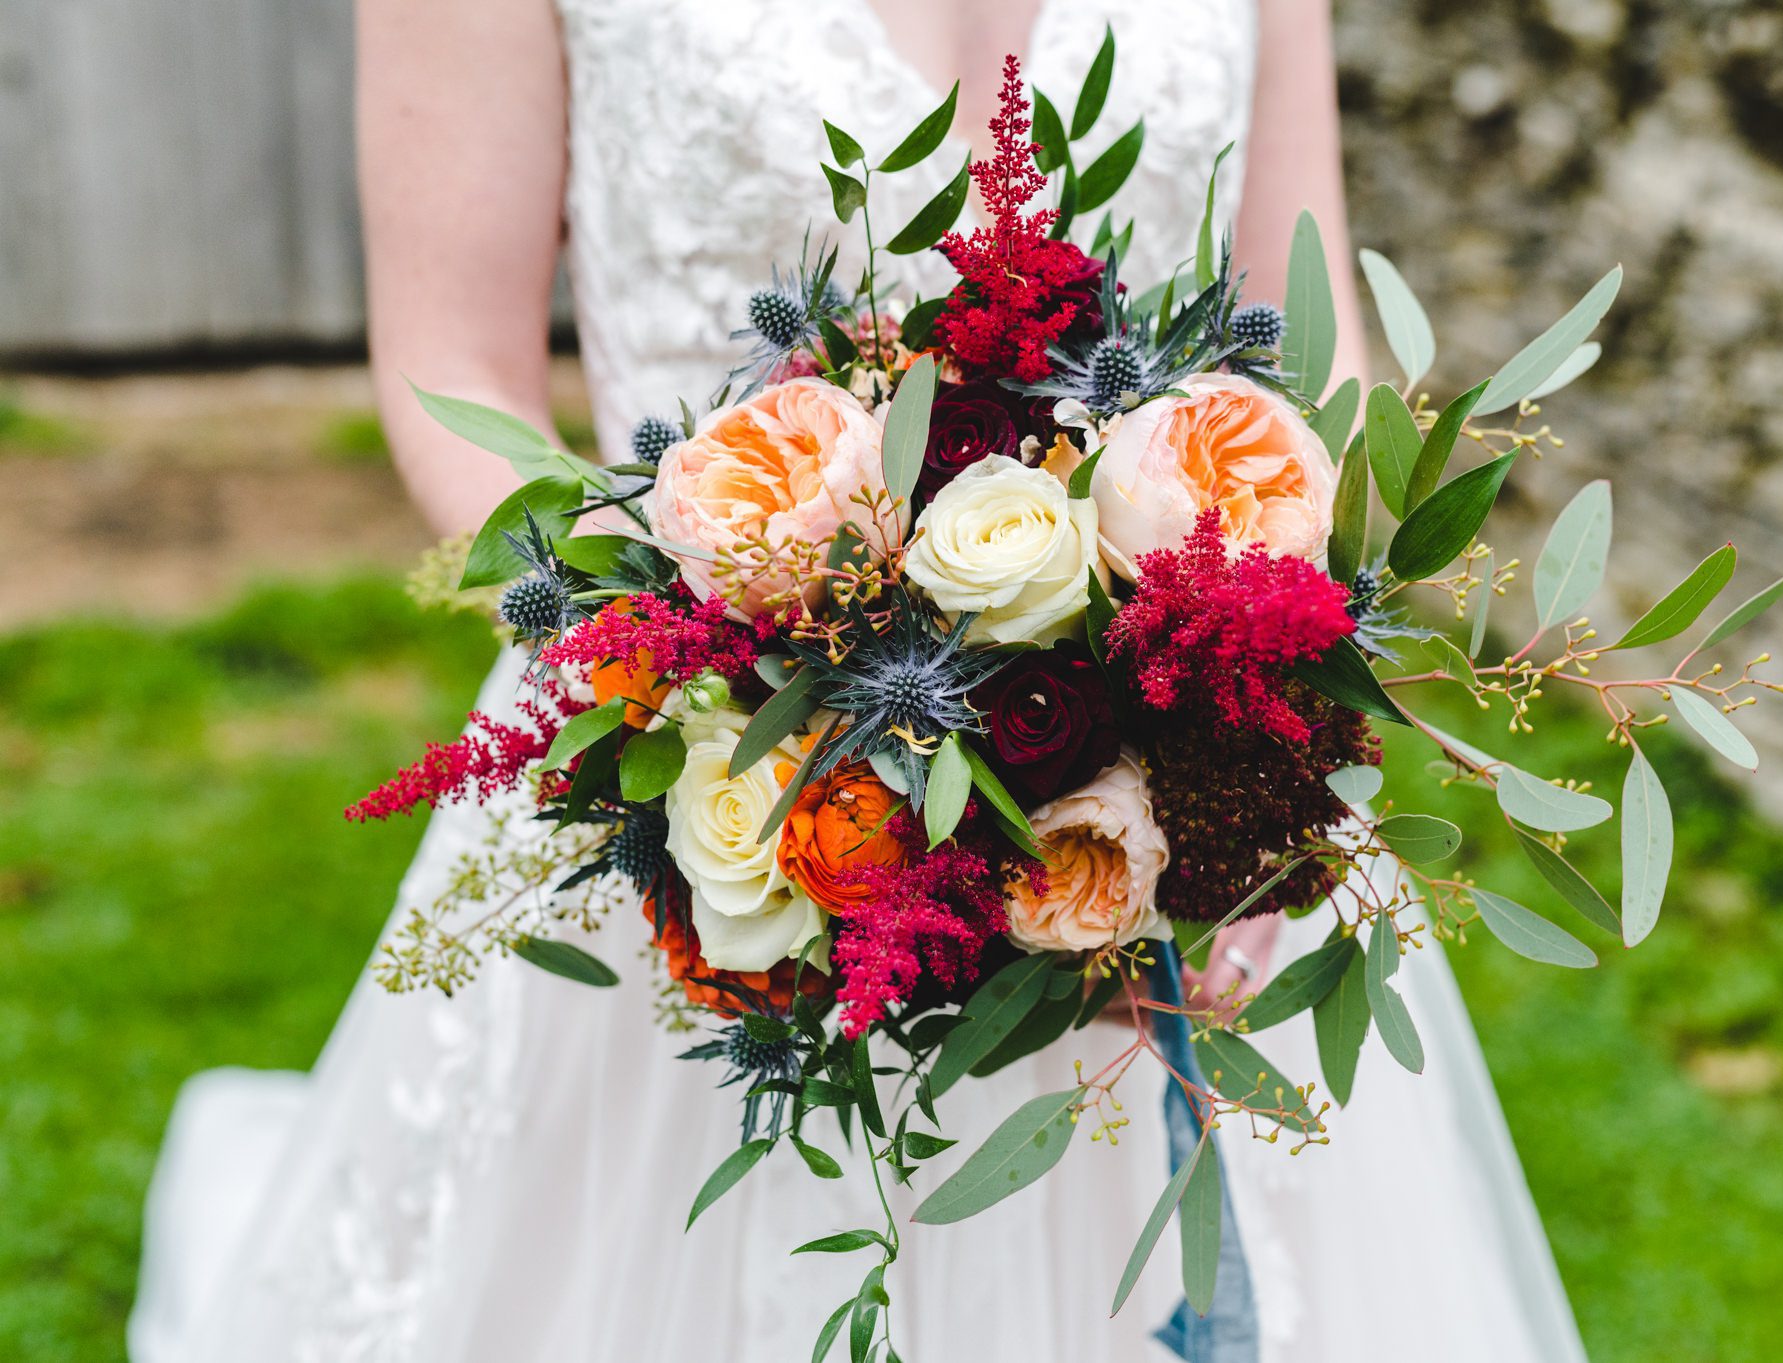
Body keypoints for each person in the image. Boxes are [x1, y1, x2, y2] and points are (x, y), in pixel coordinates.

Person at [131, 2, 1589, 1359]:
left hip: (1167, 799)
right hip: (716, 775)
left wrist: (1235, 762)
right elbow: (453, 369)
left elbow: (1302, 334)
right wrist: (703, 674)